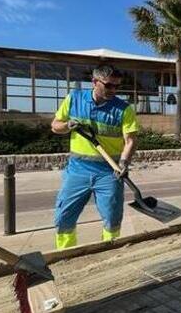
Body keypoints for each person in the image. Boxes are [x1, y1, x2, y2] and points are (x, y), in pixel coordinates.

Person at [50, 65, 139, 249]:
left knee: (112, 217)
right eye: (108, 86)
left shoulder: (124, 109)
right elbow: (55, 126)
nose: (113, 90)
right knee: (64, 216)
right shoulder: (74, 99)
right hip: (77, 170)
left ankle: (110, 252)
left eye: (117, 86)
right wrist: (68, 125)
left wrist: (123, 163)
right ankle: (65, 255)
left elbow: (130, 141)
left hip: (109, 172)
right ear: (94, 82)